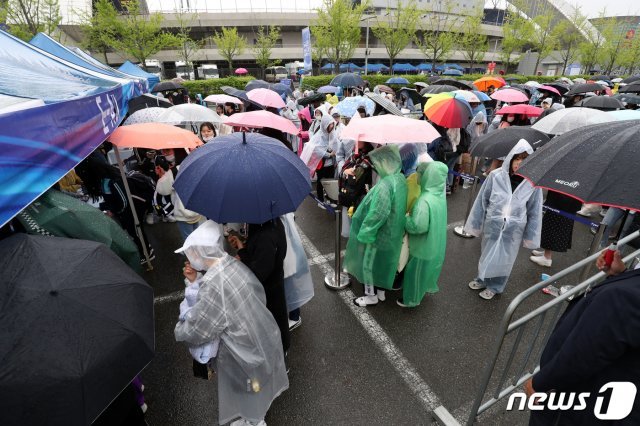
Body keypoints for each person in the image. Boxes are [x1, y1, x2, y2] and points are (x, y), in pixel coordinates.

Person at [174, 221, 289, 426]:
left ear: (200, 254)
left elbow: (197, 329)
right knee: (254, 386)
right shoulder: (230, 262)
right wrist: (194, 281)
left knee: (247, 387)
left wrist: (180, 329)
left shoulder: (213, 286)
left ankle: (254, 421)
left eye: (190, 253)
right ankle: (253, 418)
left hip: (241, 351)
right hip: (258, 337)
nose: (188, 258)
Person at [526, 249, 640, 426]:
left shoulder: (623, 297)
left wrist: (540, 383)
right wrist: (621, 275)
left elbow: (583, 353)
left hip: (582, 405)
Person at [464, 139, 543, 300]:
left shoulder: (532, 184)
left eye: (524, 159)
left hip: (513, 230)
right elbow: (482, 201)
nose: (519, 163)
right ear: (511, 159)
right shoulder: (496, 176)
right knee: (487, 252)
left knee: (505, 259)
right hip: (493, 223)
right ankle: (482, 278)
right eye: (517, 158)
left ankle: (495, 286)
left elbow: (535, 211)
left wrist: (530, 236)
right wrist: (475, 224)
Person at [344, 144, 408, 306]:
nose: (376, 167)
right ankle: (381, 292)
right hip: (393, 232)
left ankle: (370, 296)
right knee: (384, 262)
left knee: (369, 263)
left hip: (379, 233)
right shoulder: (400, 179)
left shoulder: (385, 185)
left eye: (378, 163)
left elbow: (378, 213)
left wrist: (365, 233)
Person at [75, 153, 155, 265]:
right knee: (135, 233)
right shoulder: (105, 179)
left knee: (136, 231)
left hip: (130, 211)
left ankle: (147, 253)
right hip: (125, 212)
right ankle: (144, 247)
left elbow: (123, 201)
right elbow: (114, 200)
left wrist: (112, 210)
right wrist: (108, 207)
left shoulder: (112, 180)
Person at [228, 219, 290, 354]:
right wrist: (243, 246)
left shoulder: (265, 236)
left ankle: (279, 363)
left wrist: (242, 256)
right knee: (276, 323)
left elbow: (257, 273)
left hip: (267, 293)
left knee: (271, 329)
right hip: (274, 286)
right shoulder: (271, 222)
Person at [399, 162, 448, 308]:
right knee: (423, 272)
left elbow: (418, 226)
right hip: (434, 243)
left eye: (422, 173)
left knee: (416, 273)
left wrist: (405, 218)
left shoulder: (424, 200)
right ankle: (418, 292)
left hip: (421, 245)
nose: (419, 176)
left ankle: (411, 300)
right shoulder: (439, 196)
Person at [155, 156, 205, 241]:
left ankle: (191, 253)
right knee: (196, 237)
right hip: (196, 209)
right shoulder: (193, 166)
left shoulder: (174, 172)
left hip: (183, 214)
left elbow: (162, 190)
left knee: (189, 241)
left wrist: (162, 174)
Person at [529, 192, 582, 267]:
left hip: (562, 202)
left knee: (552, 228)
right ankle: (546, 252)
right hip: (569, 201)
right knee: (552, 227)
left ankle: (546, 258)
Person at [281, 213, 314, 331]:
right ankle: (293, 313)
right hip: (285, 247)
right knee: (288, 283)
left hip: (286, 248)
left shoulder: (280, 209)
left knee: (289, 283)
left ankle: (295, 317)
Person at [300, 114, 338, 205]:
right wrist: (328, 154)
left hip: (331, 164)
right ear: (325, 124)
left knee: (330, 182)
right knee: (321, 182)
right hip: (322, 164)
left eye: (332, 124)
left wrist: (334, 155)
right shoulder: (319, 135)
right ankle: (321, 201)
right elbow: (315, 149)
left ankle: (330, 199)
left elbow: (337, 145)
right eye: (330, 124)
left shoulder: (333, 134)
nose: (332, 126)